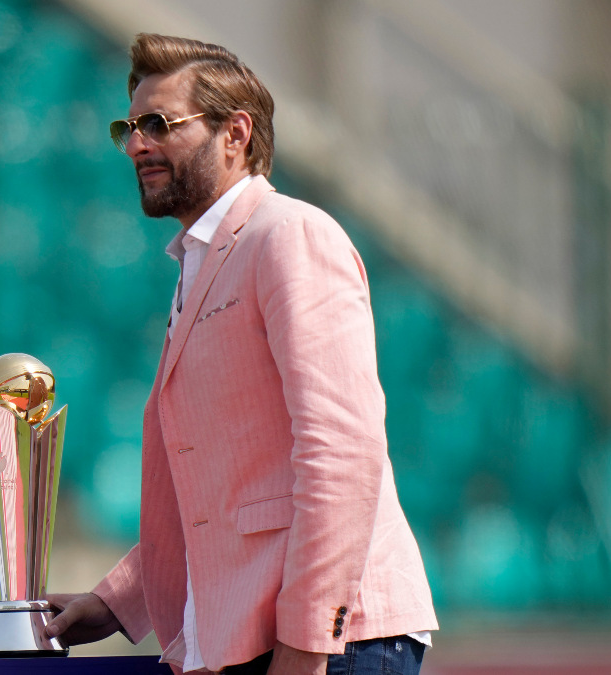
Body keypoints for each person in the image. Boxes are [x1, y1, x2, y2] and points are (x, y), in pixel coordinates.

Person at [45, 34, 437, 675]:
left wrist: (308, 645)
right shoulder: (203, 261)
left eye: (159, 124)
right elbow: (221, 499)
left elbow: (342, 452)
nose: (137, 144)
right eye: (129, 126)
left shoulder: (290, 236)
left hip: (327, 644)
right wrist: (116, 603)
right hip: (254, 636)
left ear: (236, 133)